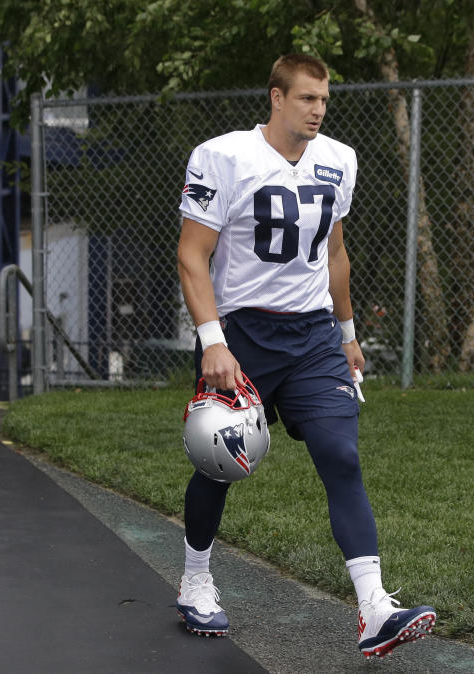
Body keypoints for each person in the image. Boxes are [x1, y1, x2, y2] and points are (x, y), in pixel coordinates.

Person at [175, 53, 436, 658]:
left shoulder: (339, 159)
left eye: (324, 100)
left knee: (341, 454)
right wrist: (213, 341)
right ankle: (195, 577)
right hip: (241, 333)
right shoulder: (223, 157)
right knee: (221, 463)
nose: (318, 110)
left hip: (314, 335)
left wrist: (347, 330)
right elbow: (193, 254)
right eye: (307, 99)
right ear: (276, 97)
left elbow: (335, 254)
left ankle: (374, 608)